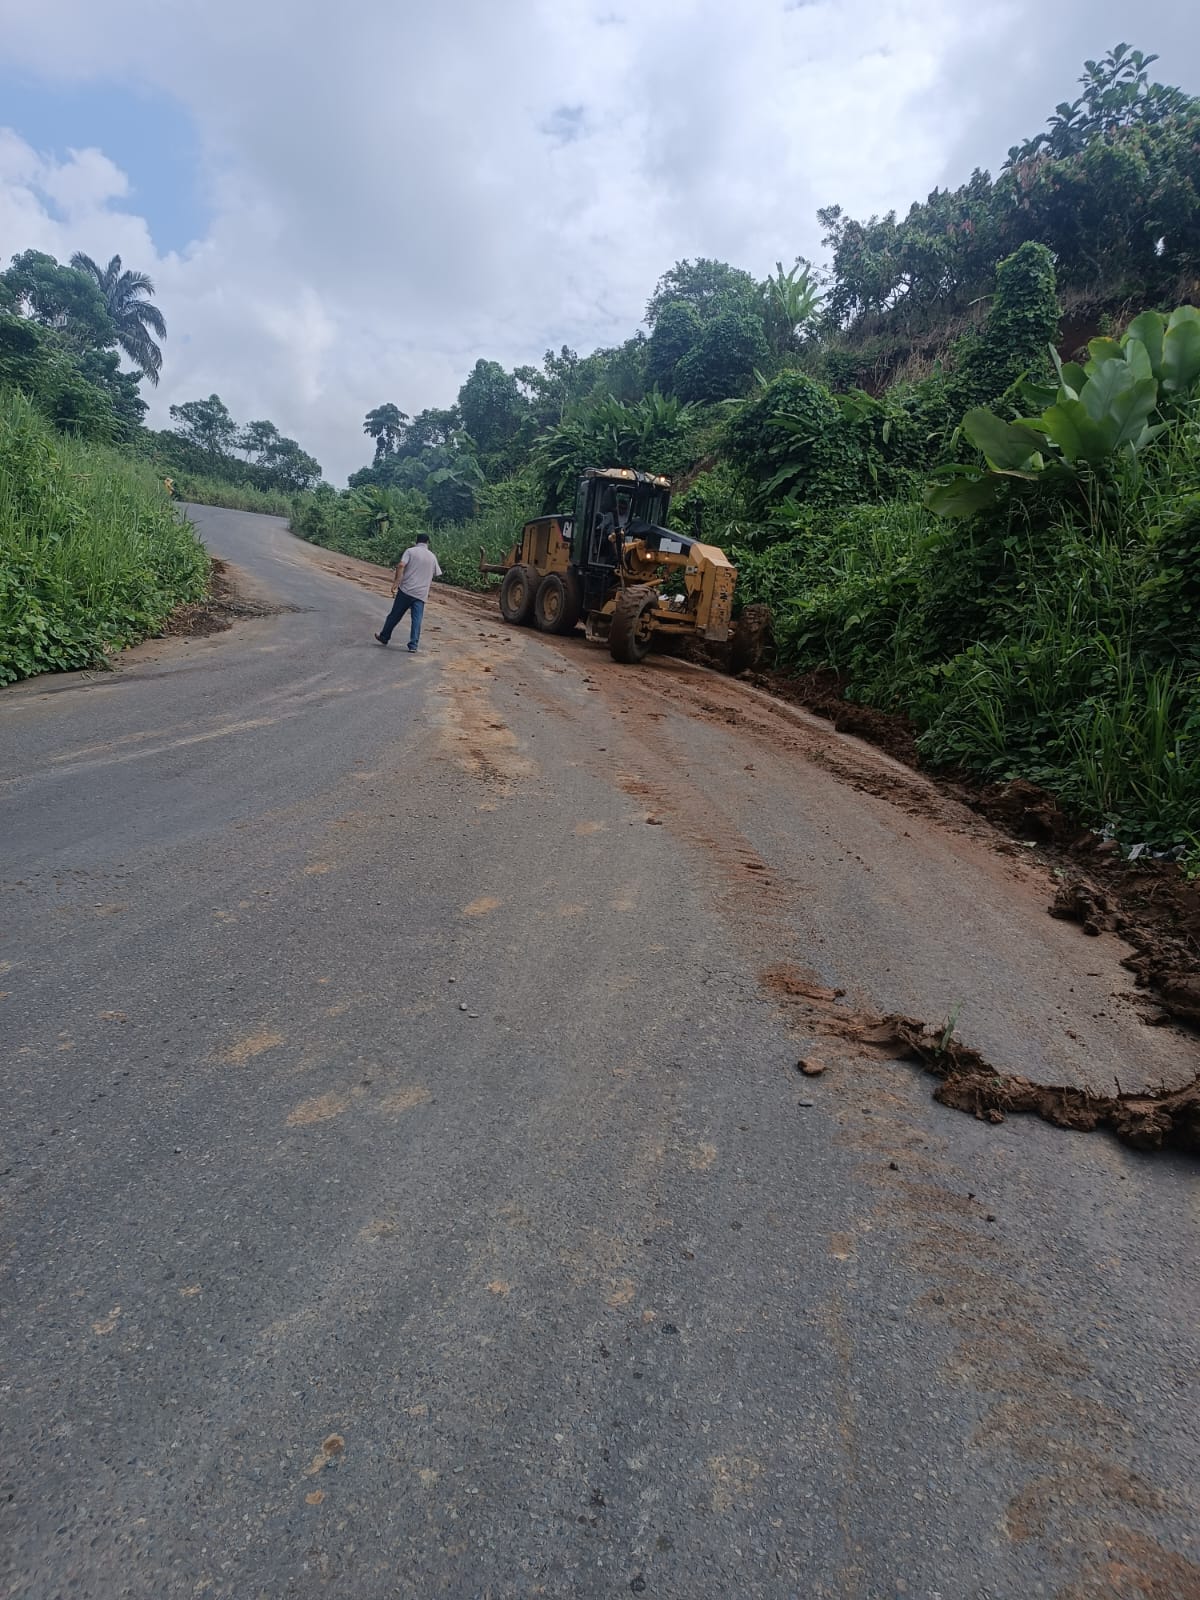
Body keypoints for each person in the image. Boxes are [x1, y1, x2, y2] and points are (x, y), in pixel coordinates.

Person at [374, 533, 442, 652]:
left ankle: (384, 637)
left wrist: (396, 582)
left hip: (406, 590)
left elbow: (401, 565)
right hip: (421, 594)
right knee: (417, 620)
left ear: (416, 541)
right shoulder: (432, 556)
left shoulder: (410, 551)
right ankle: (413, 645)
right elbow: (437, 573)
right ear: (427, 543)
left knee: (394, 615)